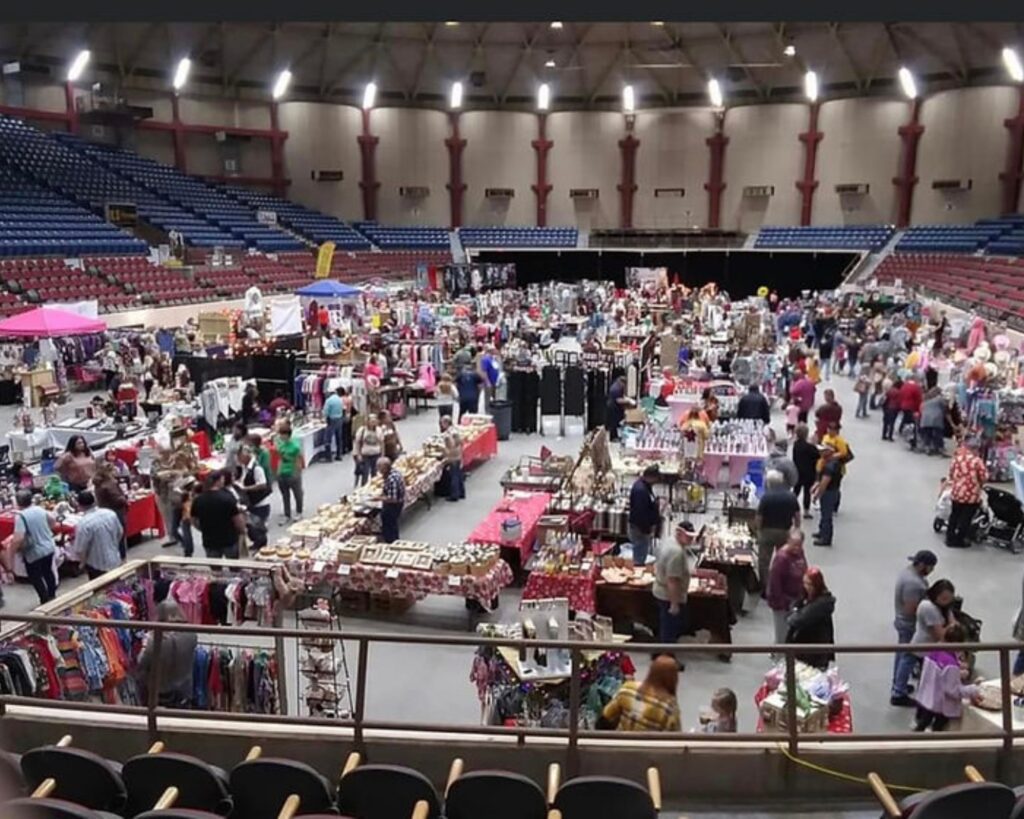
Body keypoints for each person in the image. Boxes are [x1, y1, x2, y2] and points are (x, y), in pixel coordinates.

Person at [891, 550, 939, 706]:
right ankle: (899, 692)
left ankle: (898, 683)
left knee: (902, 654)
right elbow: (911, 609)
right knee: (908, 657)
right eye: (930, 567)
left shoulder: (908, 573)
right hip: (908, 624)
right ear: (922, 565)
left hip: (901, 621)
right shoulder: (914, 584)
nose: (931, 571)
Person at [912, 624, 980, 732]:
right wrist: (973, 689)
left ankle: (912, 740)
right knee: (939, 728)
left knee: (923, 723)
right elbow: (953, 691)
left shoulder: (934, 651)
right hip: (942, 705)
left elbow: (938, 675)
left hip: (928, 697)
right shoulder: (951, 664)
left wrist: (958, 672)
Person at [136, 599, 198, 709]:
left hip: (160, 693)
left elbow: (141, 663)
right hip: (184, 690)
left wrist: (145, 644)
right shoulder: (191, 634)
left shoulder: (156, 640)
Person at [600, 654, 681, 732]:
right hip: (647, 745)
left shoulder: (628, 689)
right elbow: (673, 740)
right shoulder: (669, 707)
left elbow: (605, 717)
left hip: (621, 743)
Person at [7, 489, 58, 604]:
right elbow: (53, 521)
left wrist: (11, 552)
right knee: (48, 571)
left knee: (35, 577)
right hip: (48, 546)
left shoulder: (21, 517)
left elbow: (18, 538)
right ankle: (52, 595)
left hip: (34, 551)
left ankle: (44, 600)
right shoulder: (39, 509)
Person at [785, 567, 836, 671]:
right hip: (805, 650)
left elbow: (799, 619)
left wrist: (794, 613)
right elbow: (795, 606)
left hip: (814, 652)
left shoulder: (822, 603)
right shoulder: (807, 597)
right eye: (805, 583)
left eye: (809, 584)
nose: (806, 587)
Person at [756, 471, 801, 586]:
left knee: (764, 561)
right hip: (785, 532)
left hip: (767, 532)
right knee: (783, 559)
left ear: (769, 483)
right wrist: (796, 529)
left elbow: (759, 517)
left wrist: (758, 530)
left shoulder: (766, 497)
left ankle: (765, 585)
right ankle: (781, 582)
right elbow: (797, 515)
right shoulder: (791, 496)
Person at [190, 469, 245, 559]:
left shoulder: (198, 500)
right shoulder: (227, 497)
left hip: (210, 540)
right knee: (234, 568)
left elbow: (193, 520)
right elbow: (237, 520)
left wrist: (203, 529)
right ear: (219, 480)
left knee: (215, 569)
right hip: (229, 539)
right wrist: (242, 530)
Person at [767, 528, 808, 646]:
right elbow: (775, 582)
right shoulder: (782, 558)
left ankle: (777, 652)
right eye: (794, 545)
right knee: (782, 632)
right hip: (783, 600)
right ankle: (780, 657)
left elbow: (804, 568)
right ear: (788, 541)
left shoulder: (799, 553)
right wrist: (781, 602)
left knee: (789, 631)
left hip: (795, 598)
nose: (797, 548)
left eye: (799, 545)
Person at [72, 490, 124, 580]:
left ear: (80, 506)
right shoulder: (110, 513)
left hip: (96, 566)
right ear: (94, 501)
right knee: (117, 589)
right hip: (115, 559)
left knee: (100, 592)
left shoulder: (83, 524)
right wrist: (113, 545)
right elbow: (120, 532)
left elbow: (80, 549)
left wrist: (82, 563)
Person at [652, 523, 691, 645]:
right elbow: (672, 580)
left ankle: (660, 654)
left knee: (664, 627)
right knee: (669, 631)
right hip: (668, 596)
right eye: (688, 536)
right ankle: (667, 658)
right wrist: (674, 604)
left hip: (660, 589)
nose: (691, 540)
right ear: (679, 533)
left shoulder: (669, 541)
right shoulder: (676, 552)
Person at [945, 438, 987, 548]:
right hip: (971, 494)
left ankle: (949, 538)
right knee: (966, 518)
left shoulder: (957, 459)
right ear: (976, 449)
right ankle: (959, 540)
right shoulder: (977, 461)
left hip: (957, 492)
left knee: (954, 515)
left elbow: (951, 474)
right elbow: (984, 477)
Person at [628, 466, 661, 567]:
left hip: (643, 528)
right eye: (656, 479)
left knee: (641, 554)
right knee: (639, 557)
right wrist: (646, 529)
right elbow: (640, 513)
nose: (656, 481)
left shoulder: (645, 487)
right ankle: (637, 577)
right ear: (651, 477)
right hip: (640, 529)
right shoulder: (640, 490)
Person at [93, 463, 128, 559]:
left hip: (104, 511)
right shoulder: (110, 484)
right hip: (116, 511)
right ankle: (122, 558)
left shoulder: (98, 484)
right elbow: (117, 499)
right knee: (119, 535)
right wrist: (124, 499)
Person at [912, 579, 957, 651]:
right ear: (936, 595)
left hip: (933, 651)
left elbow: (955, 624)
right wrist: (951, 626)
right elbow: (940, 635)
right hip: (922, 651)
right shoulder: (928, 606)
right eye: (944, 599)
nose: (946, 602)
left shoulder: (944, 607)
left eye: (949, 599)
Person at [811, 444, 842, 546]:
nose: (820, 453)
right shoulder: (835, 463)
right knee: (824, 514)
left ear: (828, 453)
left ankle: (826, 538)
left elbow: (825, 482)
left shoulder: (829, 467)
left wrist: (817, 495)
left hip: (829, 493)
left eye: (822, 451)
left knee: (826, 516)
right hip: (834, 491)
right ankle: (822, 532)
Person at [274, 423, 305, 521]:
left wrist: (297, 472)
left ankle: (299, 512)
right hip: (282, 472)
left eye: (282, 434)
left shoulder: (295, 446)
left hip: (292, 472)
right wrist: (278, 471)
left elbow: (299, 459)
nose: (280, 436)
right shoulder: (280, 444)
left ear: (287, 435)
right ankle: (287, 514)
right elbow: (280, 458)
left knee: (297, 493)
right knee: (285, 494)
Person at [235, 446, 271, 523]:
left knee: (258, 529)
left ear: (246, 456)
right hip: (251, 503)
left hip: (260, 504)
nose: (238, 459)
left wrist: (245, 488)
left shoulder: (257, 468)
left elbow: (262, 484)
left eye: (239, 456)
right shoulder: (244, 467)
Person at [791, 424, 818, 520]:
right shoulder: (809, 447)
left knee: (796, 491)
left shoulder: (796, 445)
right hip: (809, 472)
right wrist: (814, 444)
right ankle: (806, 511)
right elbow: (817, 455)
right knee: (807, 492)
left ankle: (790, 508)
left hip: (798, 471)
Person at [378, 457, 406, 544]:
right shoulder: (394, 473)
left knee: (390, 525)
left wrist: (378, 498)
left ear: (385, 468)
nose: (378, 470)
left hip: (393, 506)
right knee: (392, 524)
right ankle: (393, 541)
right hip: (396, 503)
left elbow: (393, 499)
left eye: (379, 467)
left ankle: (391, 542)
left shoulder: (392, 479)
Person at [919, 385, 946, 456]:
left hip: (925, 418)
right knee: (938, 433)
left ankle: (927, 447)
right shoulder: (939, 399)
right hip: (936, 418)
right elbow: (945, 407)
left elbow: (921, 409)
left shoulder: (925, 399)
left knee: (927, 433)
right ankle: (940, 448)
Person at [898, 375, 924, 448]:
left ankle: (904, 433)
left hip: (904, 406)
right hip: (911, 407)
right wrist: (917, 410)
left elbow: (901, 395)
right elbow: (918, 399)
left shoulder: (904, 386)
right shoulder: (916, 387)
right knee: (913, 424)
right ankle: (912, 441)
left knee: (906, 421)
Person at [605, 374, 632, 441]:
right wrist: (628, 401)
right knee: (613, 423)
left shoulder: (617, 386)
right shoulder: (616, 389)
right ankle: (613, 437)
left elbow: (621, 396)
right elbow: (618, 400)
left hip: (613, 406)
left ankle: (616, 436)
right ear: (622, 382)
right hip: (613, 407)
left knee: (615, 422)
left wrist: (625, 398)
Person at [323, 386, 346, 461]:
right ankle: (339, 455)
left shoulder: (329, 400)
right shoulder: (340, 399)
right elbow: (343, 409)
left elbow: (326, 412)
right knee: (339, 438)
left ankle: (328, 457)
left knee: (327, 439)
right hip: (339, 419)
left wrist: (325, 418)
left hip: (331, 419)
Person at [882, 376, 903, 441]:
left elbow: (885, 398)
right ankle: (890, 436)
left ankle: (884, 435)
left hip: (887, 407)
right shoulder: (899, 393)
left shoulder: (890, 390)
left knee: (885, 422)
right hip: (894, 409)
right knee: (892, 423)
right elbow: (899, 401)